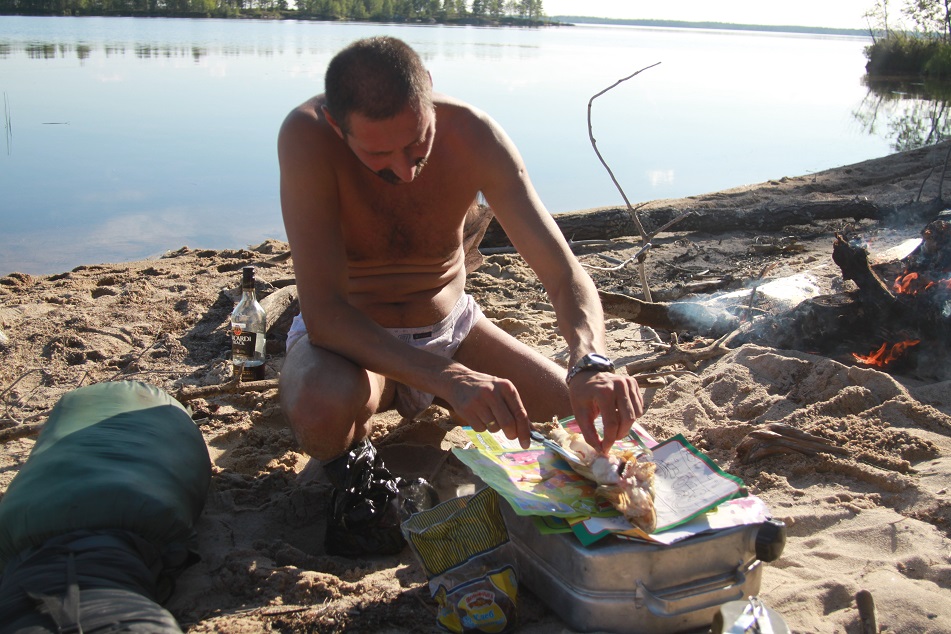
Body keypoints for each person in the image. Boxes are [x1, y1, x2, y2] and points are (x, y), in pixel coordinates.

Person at [278, 35, 644, 473]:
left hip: (452, 333)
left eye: (418, 142)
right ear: (337, 126)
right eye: (378, 153)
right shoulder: (308, 137)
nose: (404, 170)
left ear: (429, 91)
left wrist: (589, 358)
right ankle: (363, 427)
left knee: (584, 416)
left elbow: (564, 274)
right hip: (354, 345)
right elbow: (325, 315)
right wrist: (448, 379)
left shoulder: (475, 135)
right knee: (321, 409)